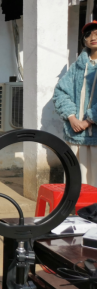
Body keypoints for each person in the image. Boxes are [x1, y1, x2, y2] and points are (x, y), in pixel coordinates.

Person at [53, 21, 97, 187]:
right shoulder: (76, 67)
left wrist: (89, 120)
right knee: (77, 181)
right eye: (88, 34)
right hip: (76, 136)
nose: (93, 37)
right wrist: (72, 118)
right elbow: (60, 92)